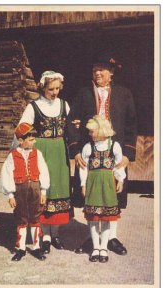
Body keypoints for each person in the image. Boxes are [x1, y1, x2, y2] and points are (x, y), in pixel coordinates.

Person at [68, 56, 137, 255]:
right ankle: (92, 239)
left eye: (102, 69)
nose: (97, 73)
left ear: (111, 73)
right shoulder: (83, 94)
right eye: (95, 69)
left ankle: (111, 238)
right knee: (89, 195)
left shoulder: (124, 94)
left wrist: (127, 154)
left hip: (114, 154)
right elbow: (71, 120)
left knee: (113, 195)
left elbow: (132, 124)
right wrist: (76, 149)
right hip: (90, 154)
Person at [18, 70, 73, 254]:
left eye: (58, 88)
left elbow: (72, 125)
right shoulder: (33, 107)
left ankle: (55, 234)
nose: (55, 92)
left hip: (59, 153)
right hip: (42, 152)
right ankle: (44, 236)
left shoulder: (64, 105)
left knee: (58, 189)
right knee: (43, 191)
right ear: (43, 88)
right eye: (51, 89)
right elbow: (22, 128)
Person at [1, 122, 50, 261]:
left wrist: (44, 191)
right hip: (19, 190)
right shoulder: (13, 155)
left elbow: (44, 171)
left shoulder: (37, 153)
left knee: (35, 217)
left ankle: (36, 247)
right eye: (30, 139)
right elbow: (7, 174)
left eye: (34, 139)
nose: (34, 142)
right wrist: (10, 194)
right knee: (21, 217)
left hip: (35, 188)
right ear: (21, 140)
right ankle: (21, 248)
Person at [80, 115, 126, 262]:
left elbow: (119, 164)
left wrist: (120, 179)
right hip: (93, 184)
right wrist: (83, 184)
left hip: (108, 185)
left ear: (101, 130)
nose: (89, 134)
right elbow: (84, 168)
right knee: (93, 218)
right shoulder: (88, 147)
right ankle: (95, 247)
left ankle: (104, 248)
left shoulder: (114, 145)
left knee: (107, 218)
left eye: (92, 131)